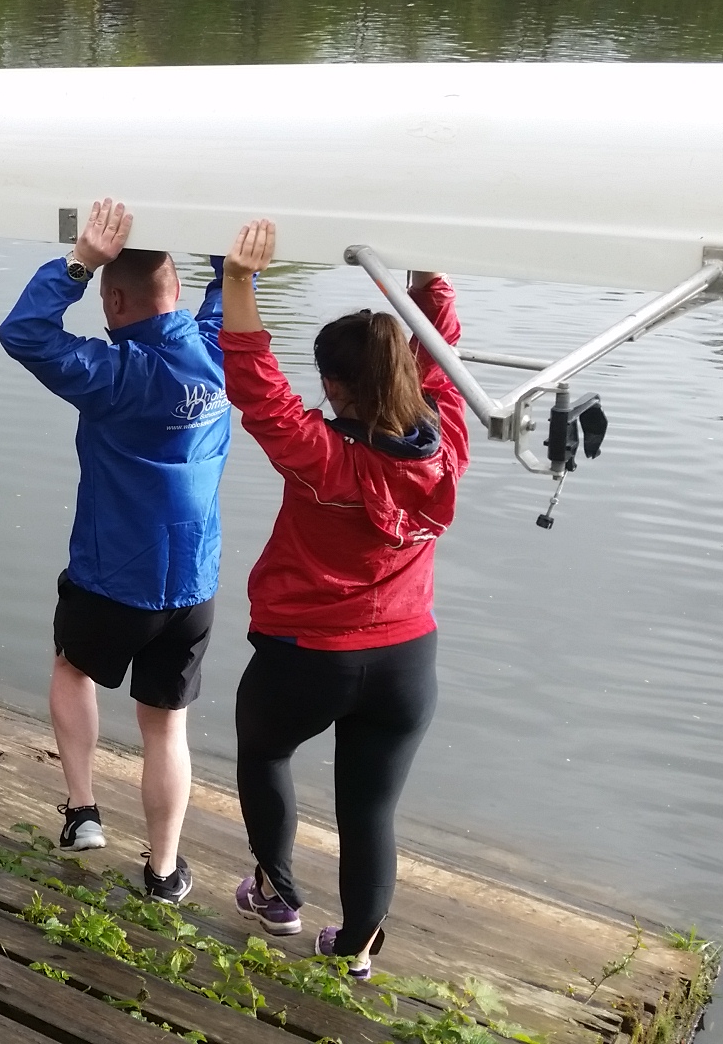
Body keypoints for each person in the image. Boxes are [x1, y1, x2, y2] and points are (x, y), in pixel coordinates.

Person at [216, 220, 469, 978]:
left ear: (332, 384)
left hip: (308, 657)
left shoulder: (319, 452)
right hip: (405, 662)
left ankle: (279, 898)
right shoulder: (446, 438)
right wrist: (430, 273)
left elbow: (255, 384)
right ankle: (356, 949)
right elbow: (443, 343)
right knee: (369, 809)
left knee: (265, 751)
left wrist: (237, 280)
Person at [0, 198, 229, 901]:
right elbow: (224, 300)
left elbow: (24, 334)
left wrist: (79, 262)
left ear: (117, 301)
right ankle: (162, 871)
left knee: (72, 670)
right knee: (166, 727)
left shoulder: (116, 373)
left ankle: (83, 811)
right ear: (179, 292)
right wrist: (225, 253)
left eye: (104, 299)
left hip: (113, 576)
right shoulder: (221, 357)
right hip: (192, 583)